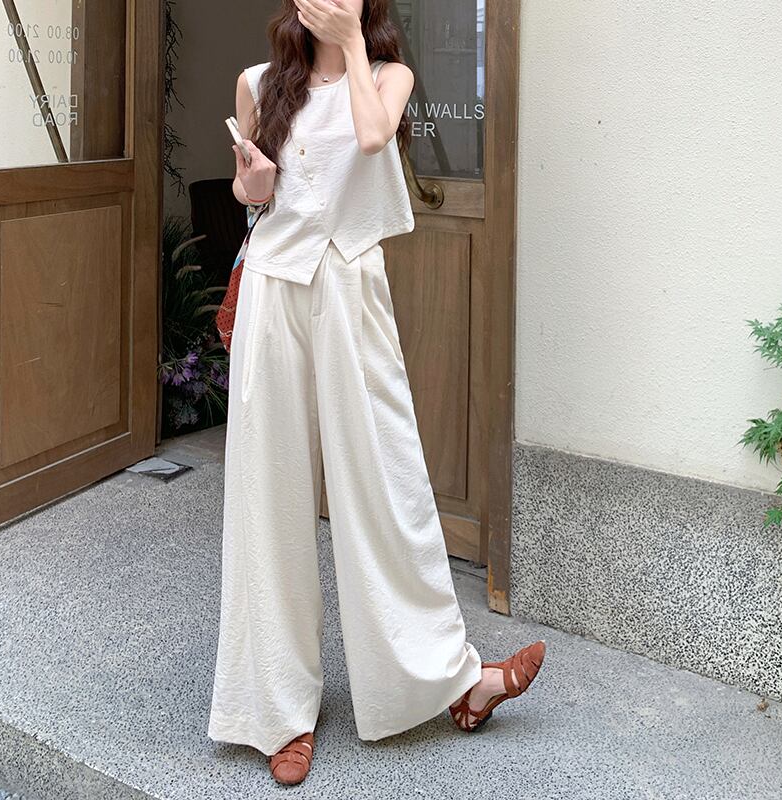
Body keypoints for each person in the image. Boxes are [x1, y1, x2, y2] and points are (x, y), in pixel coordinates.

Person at [207, 0, 546, 786]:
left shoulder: (390, 77)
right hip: (274, 294)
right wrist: (252, 184)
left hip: (352, 289)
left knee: (387, 483)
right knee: (268, 495)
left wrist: (352, 45)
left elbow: (369, 136)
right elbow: (252, 196)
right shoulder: (256, 83)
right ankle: (278, 713)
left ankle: (450, 677)